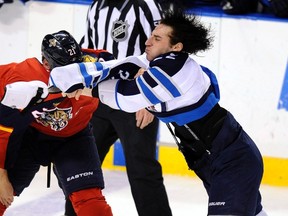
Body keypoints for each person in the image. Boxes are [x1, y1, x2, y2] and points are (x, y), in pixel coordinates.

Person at [50, 10, 268, 216]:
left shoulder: (176, 70)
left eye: (157, 38)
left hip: (232, 160)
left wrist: (87, 88)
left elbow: (127, 97)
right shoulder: (163, 62)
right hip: (214, 160)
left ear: (176, 46)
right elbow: (123, 66)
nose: (147, 41)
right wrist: (77, 76)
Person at [63, 1, 172, 216]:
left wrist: (151, 102)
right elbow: (90, 50)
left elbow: (163, 51)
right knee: (81, 170)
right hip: (100, 99)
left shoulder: (145, 5)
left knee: (142, 171)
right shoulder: (96, 6)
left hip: (135, 100)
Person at [0, 30, 113, 216]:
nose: (74, 76)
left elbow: (125, 67)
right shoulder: (23, 81)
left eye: (76, 67)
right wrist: (1, 175)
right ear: (46, 64)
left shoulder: (94, 65)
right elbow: (3, 128)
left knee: (90, 201)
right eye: (65, 70)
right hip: (29, 137)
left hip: (75, 138)